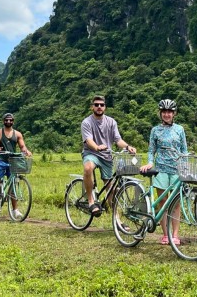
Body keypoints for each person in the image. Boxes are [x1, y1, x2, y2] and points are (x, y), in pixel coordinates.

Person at [140, 99, 188, 245]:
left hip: (176, 169)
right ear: (160, 113)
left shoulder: (180, 129)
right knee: (162, 202)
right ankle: (165, 234)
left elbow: (184, 150)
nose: (167, 114)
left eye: (169, 112)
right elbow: (151, 150)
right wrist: (150, 162)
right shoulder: (155, 130)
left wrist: (185, 165)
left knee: (176, 204)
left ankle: (175, 234)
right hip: (160, 169)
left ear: (174, 114)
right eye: (164, 112)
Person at [80, 95, 136, 217]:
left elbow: (118, 140)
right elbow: (88, 140)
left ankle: (117, 222)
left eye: (102, 105)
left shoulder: (111, 122)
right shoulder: (86, 122)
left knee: (110, 189)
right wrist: (97, 147)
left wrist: (127, 147)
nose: (99, 107)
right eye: (96, 105)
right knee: (88, 168)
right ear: (92, 107)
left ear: (105, 107)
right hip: (92, 153)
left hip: (107, 156)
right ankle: (91, 202)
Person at [0, 113, 31, 219]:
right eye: (6, 120)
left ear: (13, 121)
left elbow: (22, 146)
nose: (8, 122)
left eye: (10, 120)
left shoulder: (17, 134)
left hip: (13, 160)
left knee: (14, 184)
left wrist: (26, 151)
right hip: (0, 160)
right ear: (3, 121)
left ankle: (15, 210)